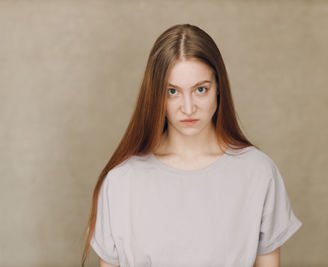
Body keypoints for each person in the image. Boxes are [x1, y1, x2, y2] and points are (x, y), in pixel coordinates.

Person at [81, 24, 302, 267]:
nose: (188, 107)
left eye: (200, 89)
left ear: (219, 89)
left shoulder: (259, 173)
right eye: (173, 91)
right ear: (156, 96)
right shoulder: (121, 181)